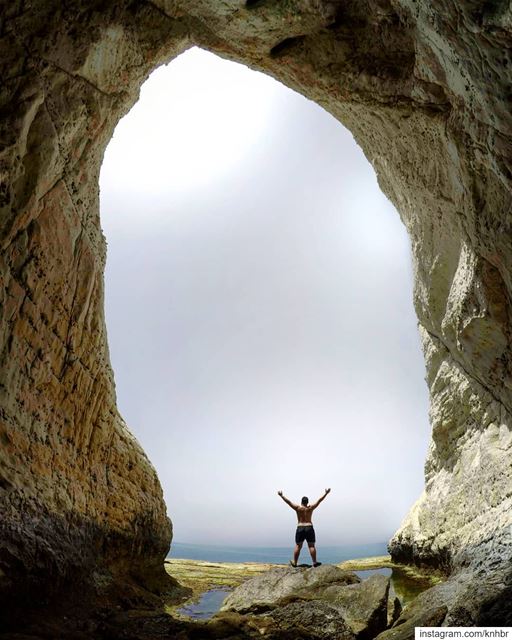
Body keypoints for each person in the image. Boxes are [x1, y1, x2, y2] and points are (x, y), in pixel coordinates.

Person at [277, 488, 331, 567]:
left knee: (298, 546)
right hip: (309, 527)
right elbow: (319, 500)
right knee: (311, 546)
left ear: (301, 502)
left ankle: (295, 563)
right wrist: (326, 493)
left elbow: (288, 502)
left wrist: (281, 496)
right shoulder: (310, 508)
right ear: (307, 502)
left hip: (300, 527)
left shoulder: (298, 508)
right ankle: (315, 562)